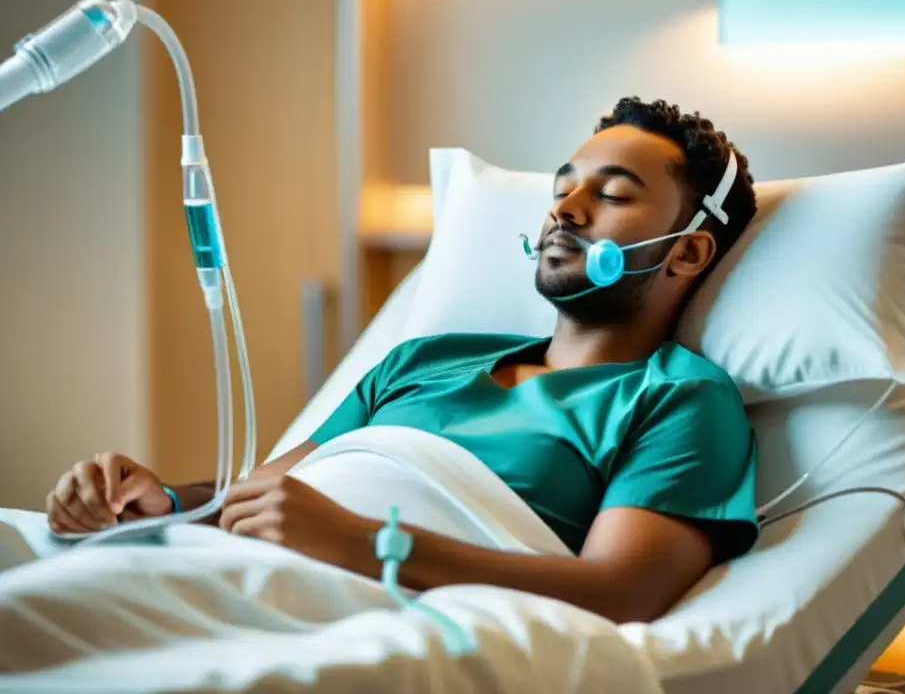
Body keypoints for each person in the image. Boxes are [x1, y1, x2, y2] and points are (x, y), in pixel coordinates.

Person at [42, 96, 759, 626]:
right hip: (234, 570)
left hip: (361, 610)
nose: (564, 210)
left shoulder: (681, 399)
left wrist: (369, 543)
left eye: (611, 195)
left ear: (688, 249)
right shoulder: (425, 357)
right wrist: (156, 503)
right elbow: (265, 498)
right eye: (561, 187)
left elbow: (621, 593)